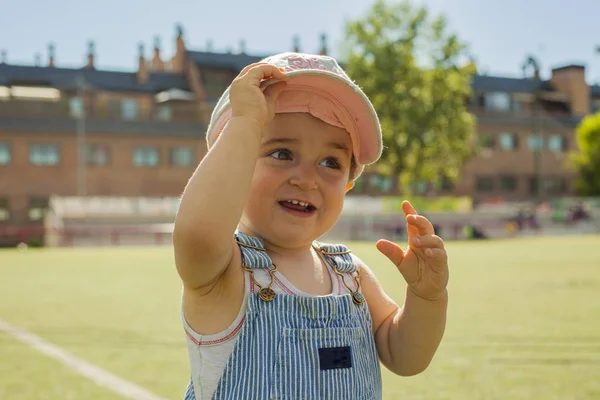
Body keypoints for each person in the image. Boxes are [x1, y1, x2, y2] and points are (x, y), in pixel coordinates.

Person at [173, 52, 449, 400]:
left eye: (330, 162)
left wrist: (427, 297)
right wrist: (245, 122)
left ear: (348, 183)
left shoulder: (351, 277)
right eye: (282, 153)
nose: (306, 179)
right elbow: (196, 233)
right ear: (235, 167)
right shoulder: (223, 272)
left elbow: (407, 357)